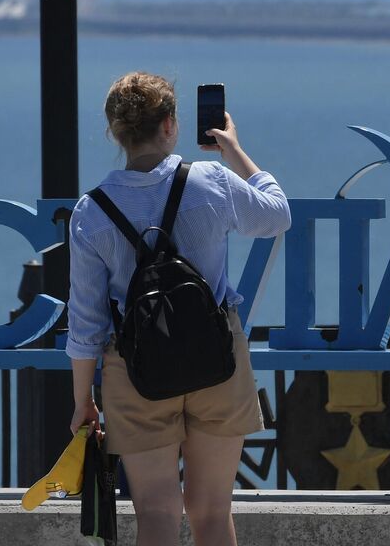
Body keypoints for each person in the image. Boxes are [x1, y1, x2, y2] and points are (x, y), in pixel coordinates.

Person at [66, 72, 291, 546]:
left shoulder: (91, 212)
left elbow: (86, 322)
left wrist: (83, 401)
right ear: (170, 124)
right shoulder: (210, 179)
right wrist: (232, 149)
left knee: (154, 512)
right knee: (212, 512)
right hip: (217, 358)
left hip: (136, 368)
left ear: (114, 131)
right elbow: (276, 215)